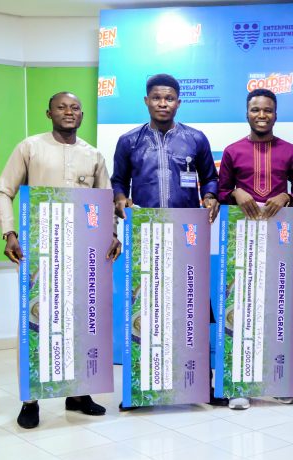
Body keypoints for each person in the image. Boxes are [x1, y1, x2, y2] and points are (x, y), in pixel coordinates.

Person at [0, 91, 121, 429]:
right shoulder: (30, 147)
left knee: (82, 321)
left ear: (81, 115)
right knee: (35, 323)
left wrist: (111, 233)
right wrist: (9, 232)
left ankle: (78, 394)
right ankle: (30, 399)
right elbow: (3, 190)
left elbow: (106, 200)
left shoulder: (93, 155)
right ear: (48, 113)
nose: (69, 112)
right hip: (39, 253)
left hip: (84, 255)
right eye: (61, 107)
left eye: (75, 107)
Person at [109, 73, 221, 407]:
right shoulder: (129, 141)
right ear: (146, 101)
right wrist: (120, 199)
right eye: (157, 98)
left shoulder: (195, 139)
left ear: (178, 102)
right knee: (146, 309)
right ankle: (140, 389)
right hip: (146, 236)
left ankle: (202, 386)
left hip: (187, 237)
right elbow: (118, 181)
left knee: (192, 310)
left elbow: (210, 178)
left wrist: (210, 197)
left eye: (169, 98)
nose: (163, 103)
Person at [217, 88, 293, 410]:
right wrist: (236, 193)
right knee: (241, 309)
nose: (262, 115)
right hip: (242, 241)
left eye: (268, 110)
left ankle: (279, 383)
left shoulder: (290, 151)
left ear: (276, 114)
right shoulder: (232, 151)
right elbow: (220, 191)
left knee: (278, 308)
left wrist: (287, 196)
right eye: (255, 110)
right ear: (247, 113)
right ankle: (238, 385)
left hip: (280, 240)